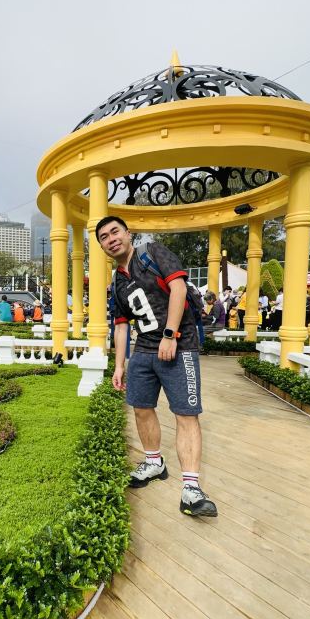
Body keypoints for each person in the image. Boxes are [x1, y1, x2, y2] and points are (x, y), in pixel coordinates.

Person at [96, 215, 217, 517]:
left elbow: (178, 289)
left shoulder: (153, 252)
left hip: (179, 344)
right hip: (144, 350)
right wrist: (119, 366)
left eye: (115, 232)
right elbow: (121, 325)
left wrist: (170, 335)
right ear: (101, 247)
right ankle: (154, 462)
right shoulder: (117, 281)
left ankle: (191, 488)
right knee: (141, 408)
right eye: (104, 237)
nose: (111, 239)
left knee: (186, 414)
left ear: (128, 233)